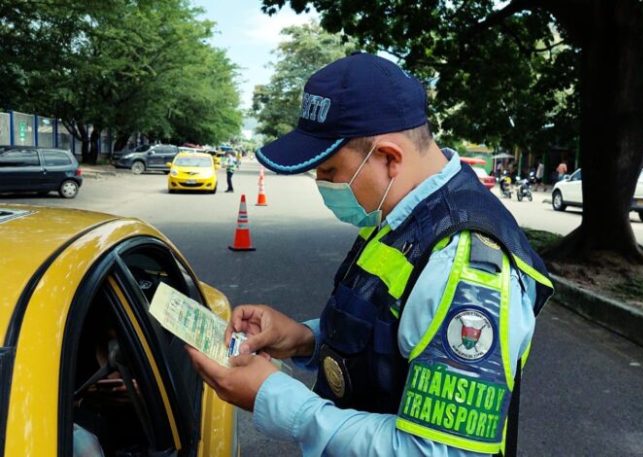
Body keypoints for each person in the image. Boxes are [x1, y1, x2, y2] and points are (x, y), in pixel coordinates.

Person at [186, 53, 553, 456]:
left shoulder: (463, 262)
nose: (321, 185)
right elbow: (391, 333)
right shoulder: (403, 216)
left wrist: (276, 398)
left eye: (328, 172)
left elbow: (436, 451)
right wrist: (304, 339)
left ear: (389, 158)